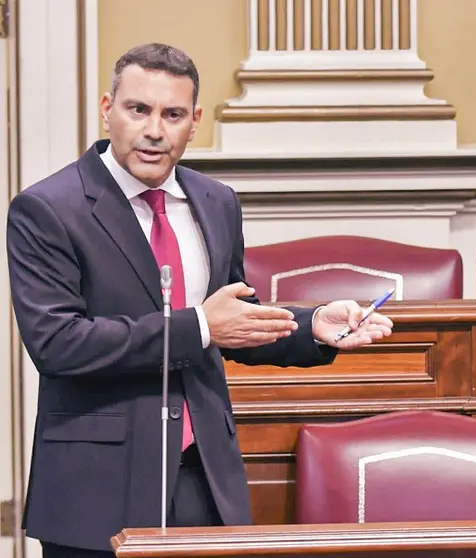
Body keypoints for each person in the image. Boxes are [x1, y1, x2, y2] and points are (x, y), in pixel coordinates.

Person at [6, 43, 394, 557]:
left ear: (194, 122)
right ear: (107, 109)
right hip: (99, 485)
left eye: (172, 114)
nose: (153, 130)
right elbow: (58, 344)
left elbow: (234, 317)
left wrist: (313, 324)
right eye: (137, 109)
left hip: (204, 472)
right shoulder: (46, 209)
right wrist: (201, 328)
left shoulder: (216, 201)